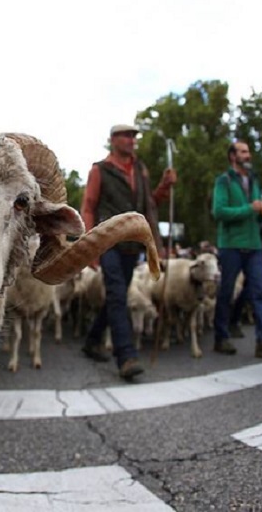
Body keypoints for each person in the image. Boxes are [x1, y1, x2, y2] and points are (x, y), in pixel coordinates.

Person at [80, 123, 175, 381]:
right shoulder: (99, 170)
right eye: (127, 136)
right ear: (113, 140)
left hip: (133, 243)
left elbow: (149, 205)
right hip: (109, 242)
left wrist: (164, 187)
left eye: (134, 136)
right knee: (118, 295)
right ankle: (126, 356)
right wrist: (90, 246)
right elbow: (88, 207)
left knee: (116, 294)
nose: (132, 140)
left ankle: (92, 340)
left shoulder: (141, 169)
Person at [211, 141, 262, 358]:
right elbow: (219, 212)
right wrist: (250, 209)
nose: (248, 156)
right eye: (243, 152)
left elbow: (256, 214)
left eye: (248, 152)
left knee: (260, 291)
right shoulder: (224, 180)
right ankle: (221, 337)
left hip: (253, 243)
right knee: (227, 291)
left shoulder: (255, 180)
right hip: (231, 245)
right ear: (232, 156)